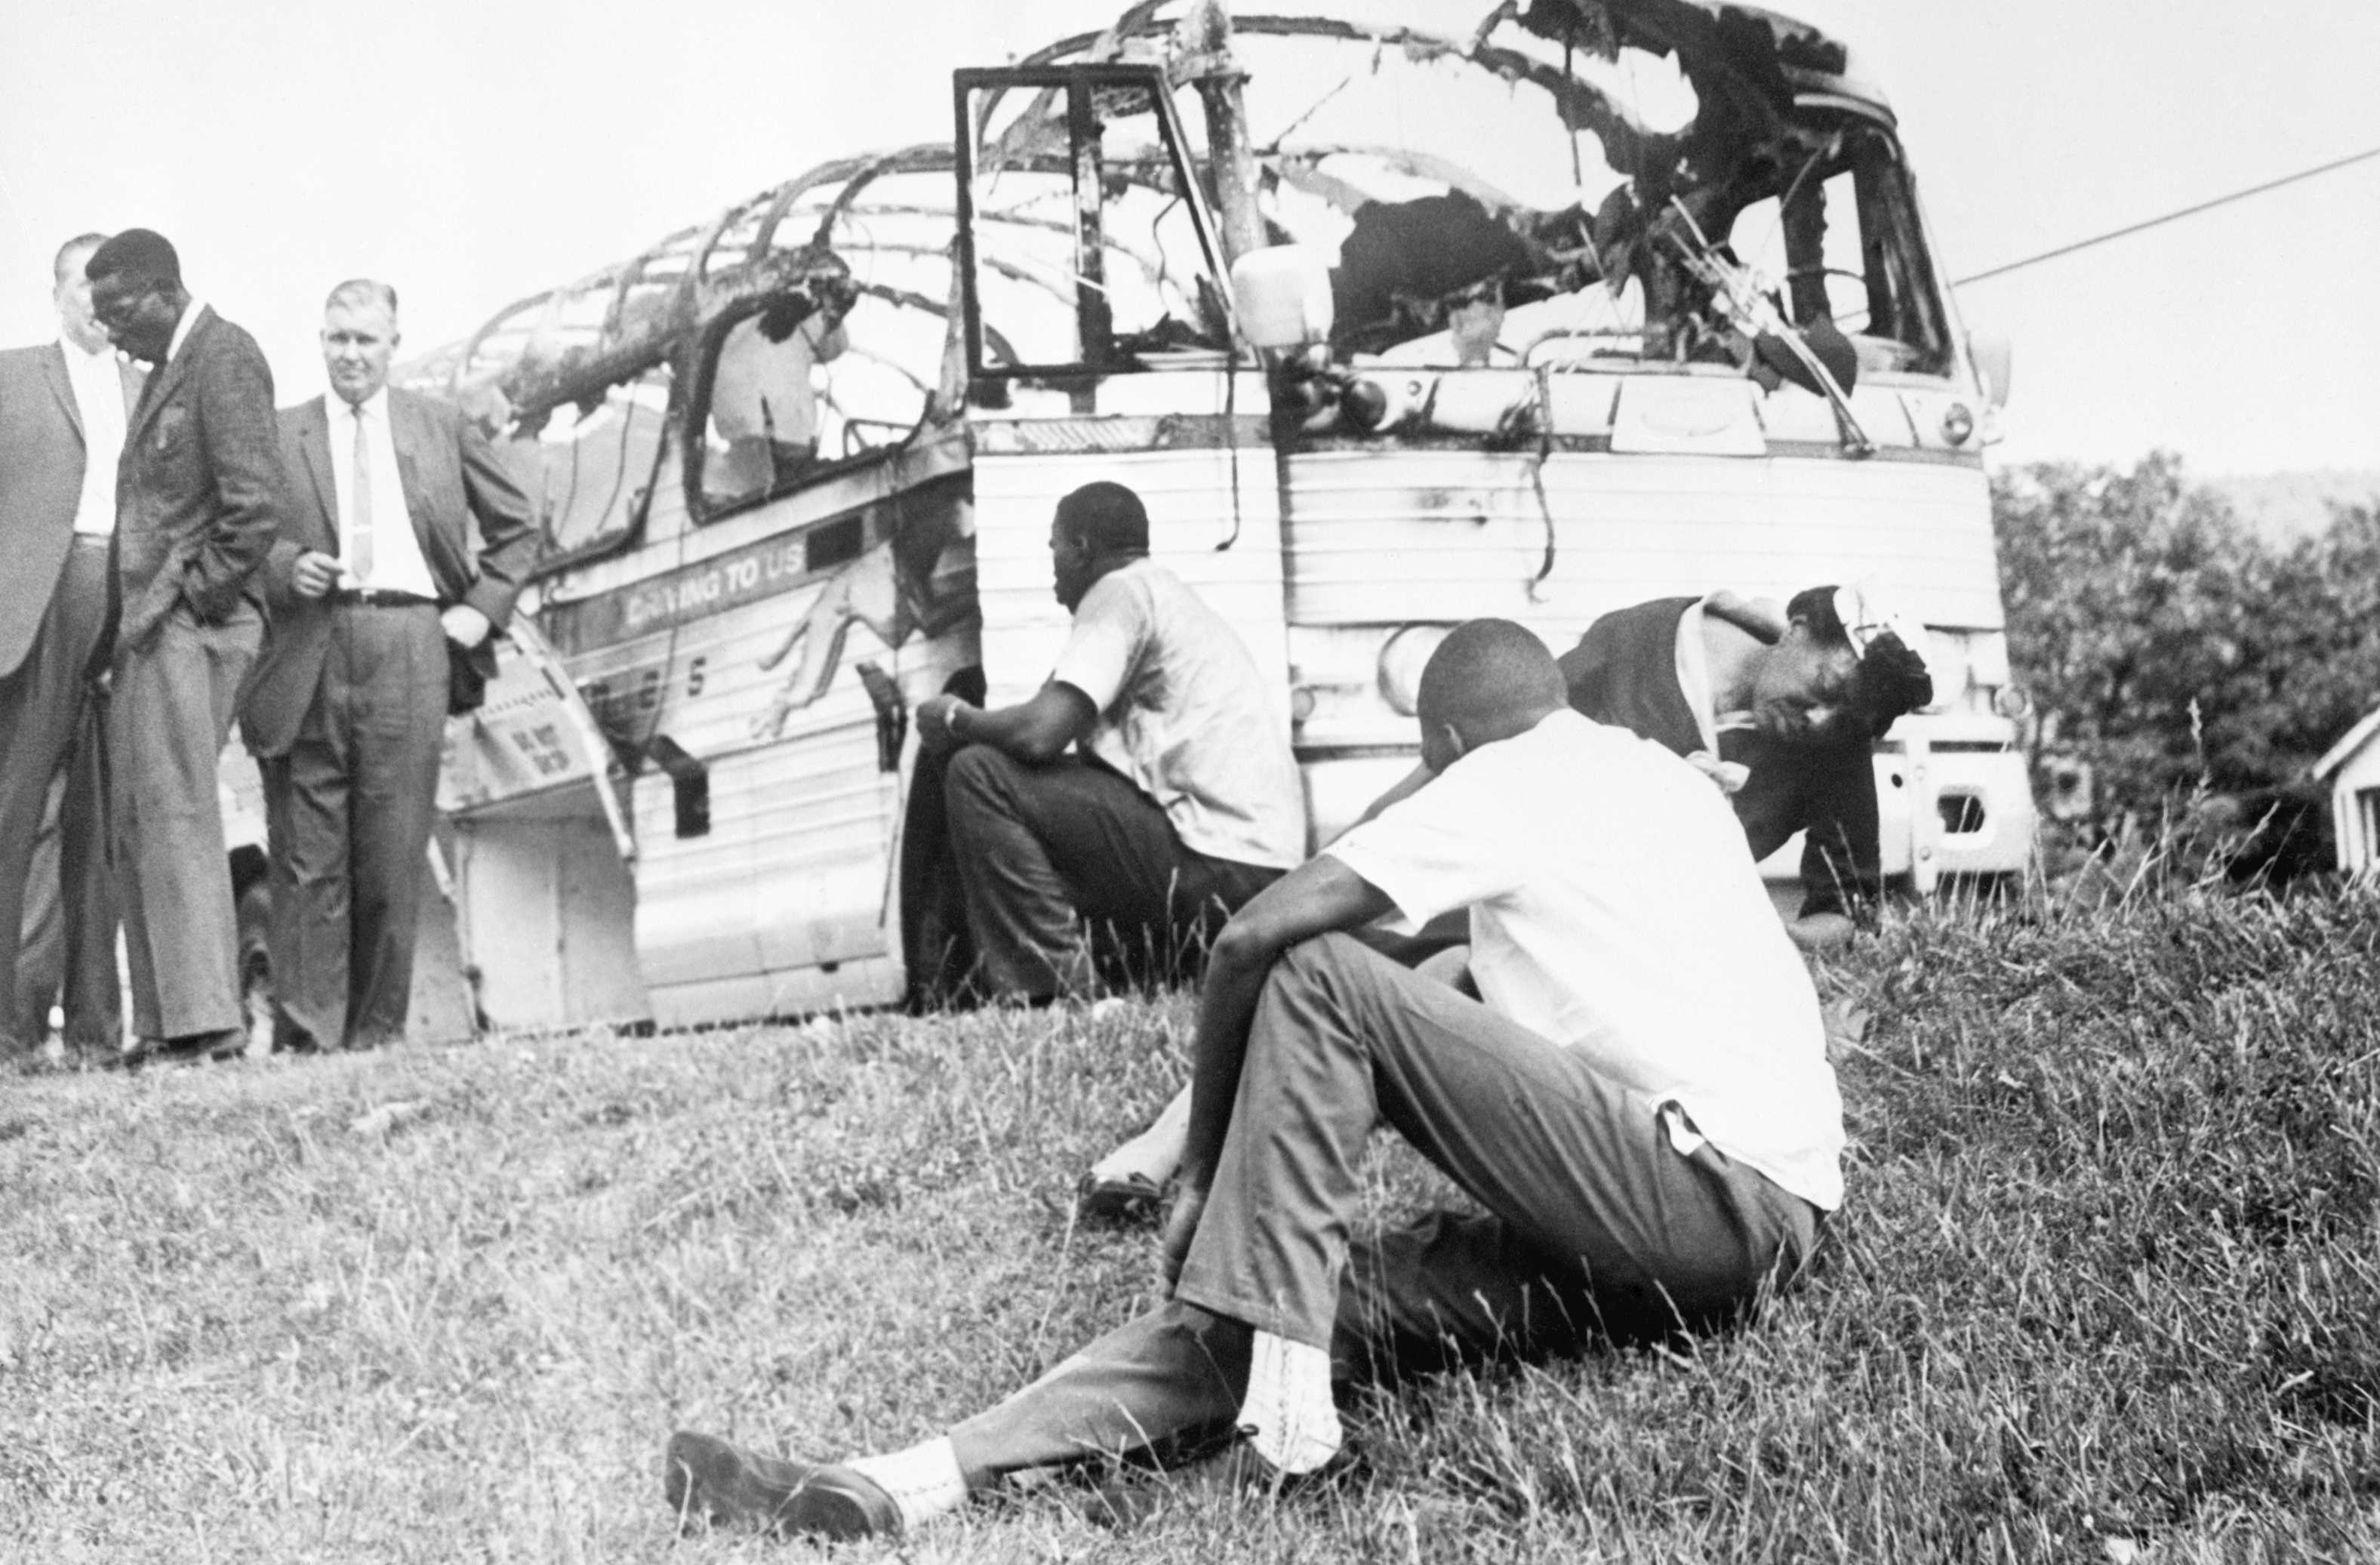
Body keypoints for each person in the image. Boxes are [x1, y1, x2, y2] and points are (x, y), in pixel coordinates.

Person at [663, 619, 1843, 1542]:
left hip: (1710, 1203)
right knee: (1279, 1306)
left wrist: (1196, 1174)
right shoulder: (1650, 779)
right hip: (1693, 1240)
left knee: (1318, 965)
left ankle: (1290, 1440)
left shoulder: (1507, 781)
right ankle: (902, 1482)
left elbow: (1252, 944)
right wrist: (1269, 1218)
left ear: (1439, 749)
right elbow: (1467, 1016)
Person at [240, 280, 537, 1053]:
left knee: (392, 851)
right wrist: (286, 566)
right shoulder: (282, 434)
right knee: (310, 861)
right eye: (337, 338)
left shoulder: (441, 427)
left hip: (412, 642)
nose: (350, 354)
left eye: (365, 340)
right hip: (312, 645)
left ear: (393, 344)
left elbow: (519, 525)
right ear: (321, 340)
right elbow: (239, 537)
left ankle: (377, 1036)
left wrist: (481, 607)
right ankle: (308, 1037)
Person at [900, 479, 1304, 1008]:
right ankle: (1112, 973)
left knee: (979, 774)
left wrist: (956, 716)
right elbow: (1046, 728)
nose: (1053, 565)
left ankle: (1059, 991)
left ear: (1083, 548)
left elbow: (1039, 733)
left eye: (1056, 547)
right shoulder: (1158, 595)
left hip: (1223, 866)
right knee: (1016, 790)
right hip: (1255, 872)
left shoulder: (1120, 592)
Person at [85, 228, 282, 1067]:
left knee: (176, 812)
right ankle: (167, 1022)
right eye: (99, 318)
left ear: (164, 291)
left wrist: (190, 603)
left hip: (188, 623)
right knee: (143, 820)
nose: (112, 332)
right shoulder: (169, 368)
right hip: (151, 627)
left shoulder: (224, 357)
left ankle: (208, 1025)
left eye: (120, 311)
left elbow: (254, 508)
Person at [1557, 583, 1934, 949]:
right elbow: (1515, 746)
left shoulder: (1835, 745)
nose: (1820, 720)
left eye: (1847, 718)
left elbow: (1848, 910)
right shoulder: (1644, 640)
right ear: (1796, 631)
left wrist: (1774, 939)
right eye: (1827, 687)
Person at [0, 233, 140, 1065]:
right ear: (56, 292)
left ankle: (95, 1030)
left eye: (113, 288)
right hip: (36, 607)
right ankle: (11, 1024)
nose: (99, 302)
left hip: (126, 597)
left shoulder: (147, 388)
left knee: (103, 821)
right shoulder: (12, 377)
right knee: (17, 815)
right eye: (84, 285)